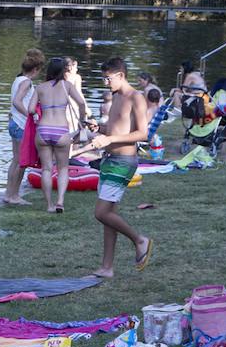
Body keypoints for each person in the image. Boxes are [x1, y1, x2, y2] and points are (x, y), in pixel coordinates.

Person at [86, 57, 153, 278]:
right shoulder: (115, 96)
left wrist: (109, 138)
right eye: (103, 78)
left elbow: (143, 134)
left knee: (101, 212)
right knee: (109, 215)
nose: (105, 83)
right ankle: (107, 267)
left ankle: (140, 240)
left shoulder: (137, 98)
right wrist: (100, 128)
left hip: (123, 163)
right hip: (109, 160)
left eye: (108, 78)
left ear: (121, 75)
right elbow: (115, 128)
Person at [27, 58, 88, 213]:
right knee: (63, 168)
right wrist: (82, 119)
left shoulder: (40, 87)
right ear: (63, 71)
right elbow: (81, 103)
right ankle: (60, 201)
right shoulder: (67, 86)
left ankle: (49, 205)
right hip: (61, 130)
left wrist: (37, 115)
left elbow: (30, 109)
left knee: (46, 169)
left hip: (43, 130)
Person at [4, 49, 45, 205]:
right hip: (21, 124)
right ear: (35, 69)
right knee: (22, 162)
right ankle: (13, 195)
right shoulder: (27, 82)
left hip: (14, 122)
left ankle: (9, 193)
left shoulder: (18, 79)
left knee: (15, 160)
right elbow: (17, 101)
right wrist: (32, 114)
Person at [64, 57, 85, 135]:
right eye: (76, 67)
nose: (76, 70)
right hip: (73, 107)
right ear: (70, 67)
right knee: (74, 133)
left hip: (61, 108)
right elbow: (79, 93)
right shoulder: (76, 77)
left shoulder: (59, 78)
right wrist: (87, 111)